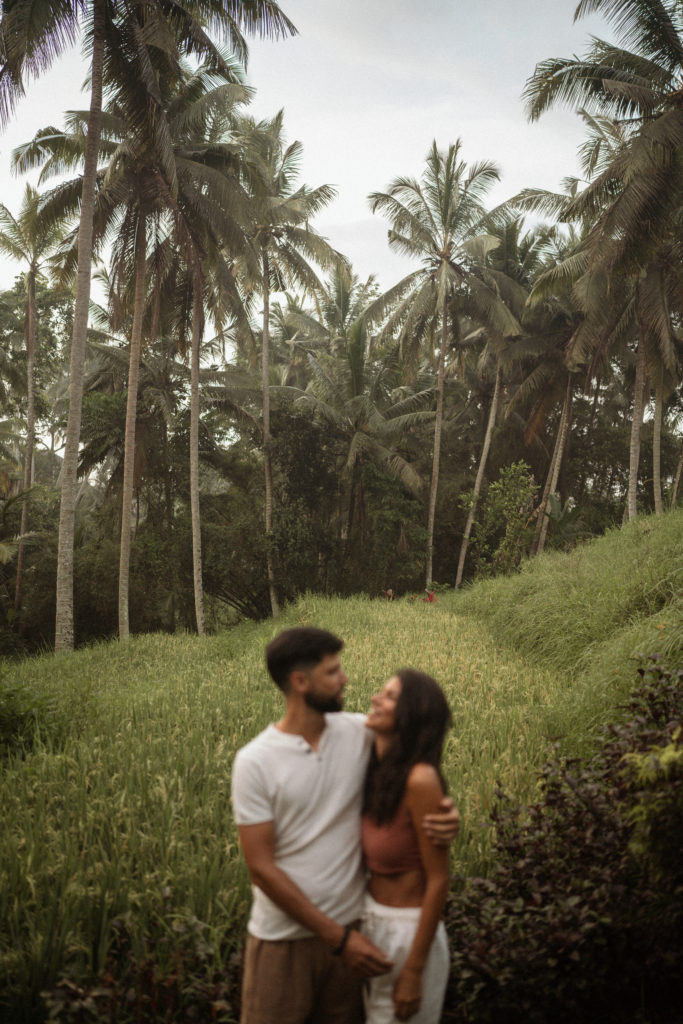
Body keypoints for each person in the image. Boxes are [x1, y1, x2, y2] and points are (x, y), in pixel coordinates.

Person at [231, 627, 459, 1024]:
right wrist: (339, 940)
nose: (346, 679)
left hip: (357, 934)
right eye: (334, 672)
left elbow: (415, 758)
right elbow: (261, 869)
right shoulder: (255, 762)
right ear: (301, 682)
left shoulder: (359, 732)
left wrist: (447, 816)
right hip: (285, 940)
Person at [361, 669, 452, 1023]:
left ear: (412, 714)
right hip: (369, 927)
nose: (375, 699)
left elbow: (438, 880)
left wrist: (414, 970)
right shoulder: (376, 769)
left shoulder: (420, 780)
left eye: (390, 696)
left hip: (407, 935)